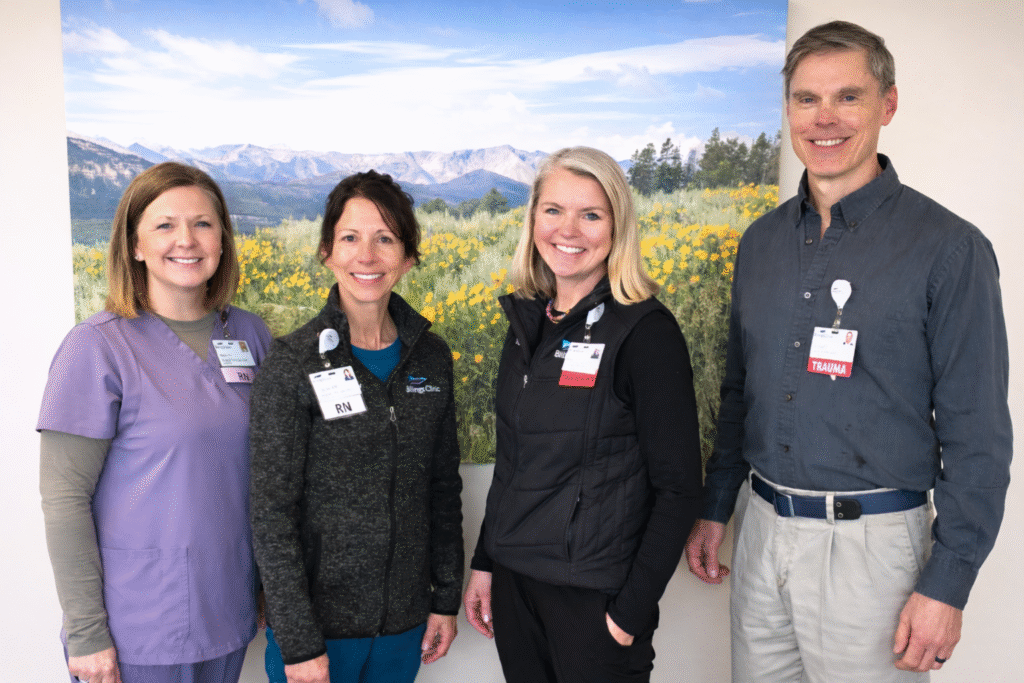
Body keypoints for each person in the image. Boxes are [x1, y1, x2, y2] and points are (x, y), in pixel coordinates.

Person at [684, 20, 1011, 682]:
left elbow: (978, 437)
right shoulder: (761, 243)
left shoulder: (949, 249)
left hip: (873, 551)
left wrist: (947, 582)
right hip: (763, 529)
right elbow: (740, 393)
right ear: (788, 109)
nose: (824, 119)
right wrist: (717, 505)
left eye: (848, 97)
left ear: (888, 104)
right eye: (806, 99)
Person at [463, 147, 702, 683]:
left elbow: (681, 487)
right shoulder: (528, 324)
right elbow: (514, 460)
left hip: (593, 600)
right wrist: (485, 562)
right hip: (517, 586)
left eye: (590, 214)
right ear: (533, 220)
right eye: (553, 211)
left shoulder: (645, 333)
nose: (568, 229)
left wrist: (629, 613)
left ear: (617, 226)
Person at [37, 162, 273, 683]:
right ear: (135, 245)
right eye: (165, 225)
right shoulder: (96, 348)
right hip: (135, 629)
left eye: (204, 224)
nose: (186, 240)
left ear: (223, 240)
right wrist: (86, 632)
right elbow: (64, 500)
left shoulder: (252, 337)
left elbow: (266, 473)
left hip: (227, 609)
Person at [249, 170, 463, 683]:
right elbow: (270, 513)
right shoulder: (293, 362)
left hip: (404, 624)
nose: (366, 256)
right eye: (350, 237)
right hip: (318, 634)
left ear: (408, 257)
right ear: (327, 251)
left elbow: (442, 487)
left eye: (385, 239)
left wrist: (446, 598)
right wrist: (299, 641)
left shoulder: (430, 358)